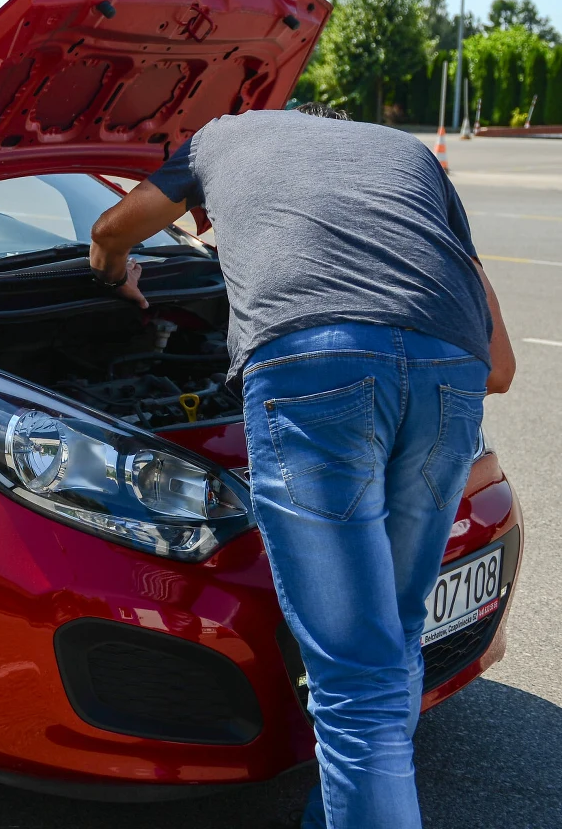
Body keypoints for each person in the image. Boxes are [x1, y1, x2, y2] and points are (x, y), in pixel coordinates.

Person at [89, 103, 515, 829]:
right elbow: (499, 365)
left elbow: (110, 228)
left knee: (355, 680)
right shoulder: (407, 154)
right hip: (451, 374)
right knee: (392, 637)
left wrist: (113, 274)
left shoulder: (215, 139)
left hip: (316, 370)